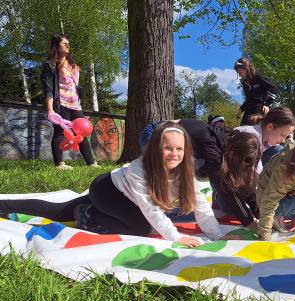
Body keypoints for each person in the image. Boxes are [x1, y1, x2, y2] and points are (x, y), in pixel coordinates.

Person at [0, 122, 223, 247]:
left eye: (179, 149)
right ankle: (87, 214)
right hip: (107, 190)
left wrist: (218, 235)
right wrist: (176, 237)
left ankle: (85, 212)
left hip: (127, 200)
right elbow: (151, 209)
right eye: (167, 148)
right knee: (142, 228)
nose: (174, 154)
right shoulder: (141, 170)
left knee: (59, 210)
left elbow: (201, 206)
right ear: (156, 148)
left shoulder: (186, 173)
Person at [139, 119, 261, 228]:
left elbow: (245, 183)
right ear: (234, 153)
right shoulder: (212, 152)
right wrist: (249, 221)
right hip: (153, 133)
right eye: (243, 163)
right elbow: (227, 190)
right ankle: (147, 207)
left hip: (178, 137)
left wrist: (262, 213)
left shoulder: (227, 144)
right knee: (166, 170)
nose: (244, 168)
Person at [40, 34, 99, 170]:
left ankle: (91, 163)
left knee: (82, 133)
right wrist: (50, 109)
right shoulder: (50, 65)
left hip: (75, 105)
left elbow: (75, 87)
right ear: (56, 45)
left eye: (68, 43)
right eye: (64, 43)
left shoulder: (73, 65)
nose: (68, 45)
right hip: (61, 104)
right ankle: (59, 164)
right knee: (60, 133)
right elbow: (48, 89)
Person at [234, 58, 278, 125]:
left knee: (254, 133)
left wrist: (267, 104)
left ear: (247, 69)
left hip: (259, 110)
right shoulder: (245, 83)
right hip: (248, 111)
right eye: (238, 73)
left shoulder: (258, 77)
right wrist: (241, 110)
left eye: (241, 73)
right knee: (242, 130)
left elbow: (274, 88)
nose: (240, 75)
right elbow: (248, 99)